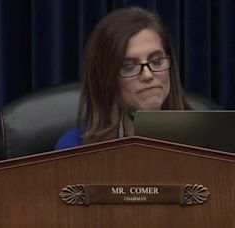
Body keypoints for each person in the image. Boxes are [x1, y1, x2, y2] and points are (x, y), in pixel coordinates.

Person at [55, 7, 191, 150]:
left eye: (156, 62)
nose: (147, 75)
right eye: (129, 66)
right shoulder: (73, 148)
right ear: (107, 79)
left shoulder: (201, 137)